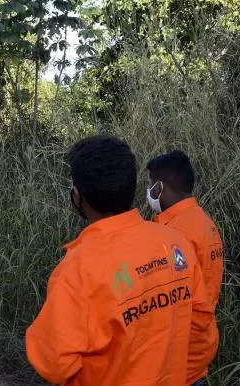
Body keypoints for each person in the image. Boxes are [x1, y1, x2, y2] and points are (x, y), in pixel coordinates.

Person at [25, 135, 218, 386]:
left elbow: (54, 362)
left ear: (78, 196)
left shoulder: (78, 268)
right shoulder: (175, 243)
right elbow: (201, 329)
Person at [147, 150, 224, 384]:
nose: (148, 192)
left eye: (150, 185)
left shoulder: (174, 233)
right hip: (198, 345)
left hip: (176, 355)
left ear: (160, 187)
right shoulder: (204, 222)